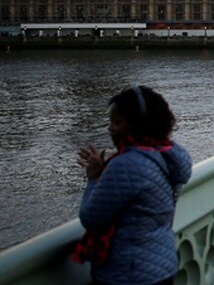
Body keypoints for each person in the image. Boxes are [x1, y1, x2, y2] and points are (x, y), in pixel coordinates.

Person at [75, 85, 193, 283]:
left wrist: (94, 178)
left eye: (117, 122)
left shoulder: (127, 164)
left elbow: (92, 218)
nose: (110, 128)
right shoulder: (165, 154)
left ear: (138, 125)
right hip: (163, 265)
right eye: (110, 121)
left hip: (128, 273)